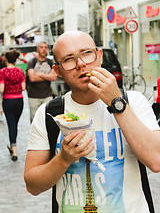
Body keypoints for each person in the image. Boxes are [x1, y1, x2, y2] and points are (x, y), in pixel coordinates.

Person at [24, 31, 160, 213]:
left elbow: (156, 161)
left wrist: (116, 103)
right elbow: (33, 185)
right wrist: (63, 159)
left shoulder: (133, 102)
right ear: (58, 71)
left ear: (99, 56)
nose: (81, 64)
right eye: (68, 59)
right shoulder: (49, 114)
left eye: (86, 53)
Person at [0, 49, 25, 161]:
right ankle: (12, 147)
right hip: (19, 100)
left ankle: (14, 151)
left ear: (6, 59)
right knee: (14, 124)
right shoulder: (20, 71)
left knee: (11, 125)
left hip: (8, 101)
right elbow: (23, 87)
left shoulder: (3, 72)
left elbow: (1, 89)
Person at [26, 42, 57, 122]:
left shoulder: (51, 62)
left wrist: (39, 74)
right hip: (33, 96)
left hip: (47, 95)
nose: (43, 49)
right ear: (37, 49)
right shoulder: (32, 62)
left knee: (47, 118)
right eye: (41, 47)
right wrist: (47, 76)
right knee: (34, 119)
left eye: (45, 47)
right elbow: (32, 78)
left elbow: (54, 77)